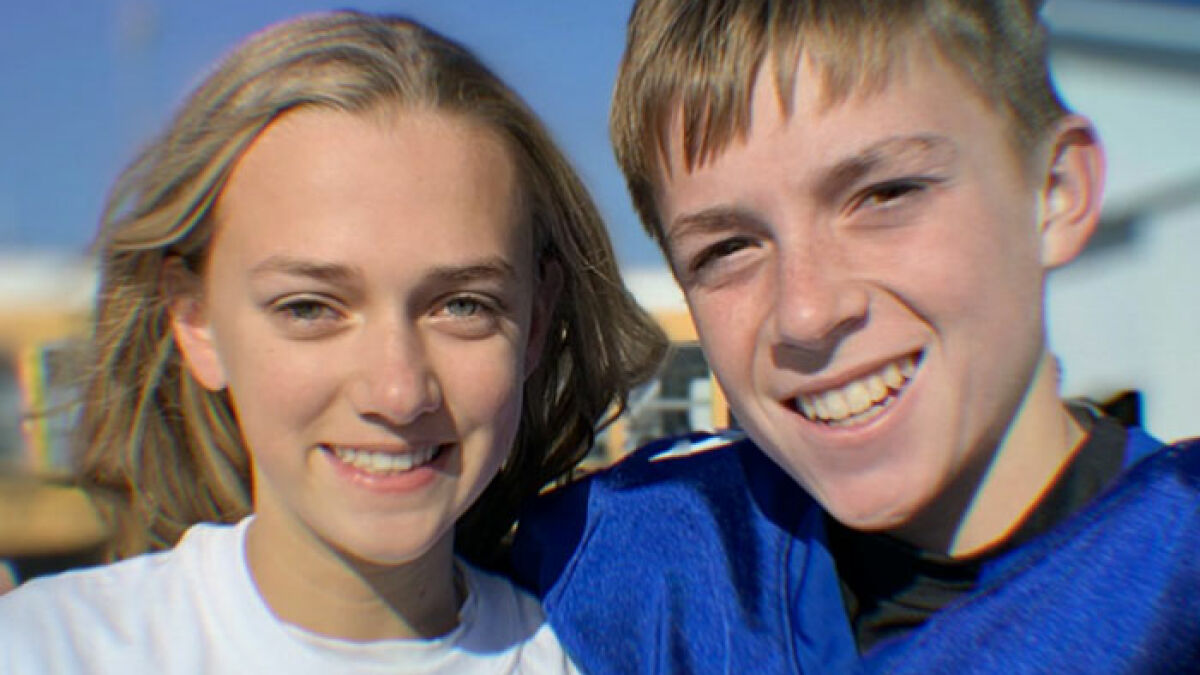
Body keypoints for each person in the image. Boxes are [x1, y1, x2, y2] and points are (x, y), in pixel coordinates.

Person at [513, 0, 1200, 672]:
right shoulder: (628, 574)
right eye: (726, 249)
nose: (807, 312)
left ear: (1054, 190)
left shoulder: (1173, 576)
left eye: (884, 195)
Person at [0, 11, 666, 674]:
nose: (398, 392)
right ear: (195, 320)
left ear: (538, 322)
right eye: (311, 307)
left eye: (463, 304)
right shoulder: (43, 649)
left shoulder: (607, 657)